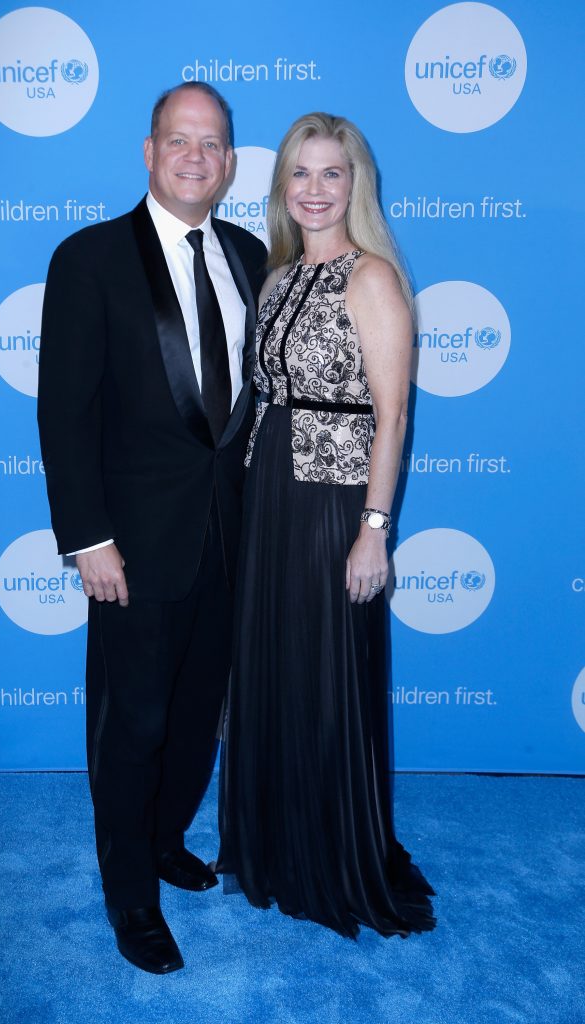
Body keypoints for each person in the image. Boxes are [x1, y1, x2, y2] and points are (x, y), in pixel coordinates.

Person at [37, 82, 267, 974]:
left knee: (195, 710)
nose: (195, 157)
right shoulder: (88, 258)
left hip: (231, 542)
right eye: (180, 140)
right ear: (147, 151)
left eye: (212, 145)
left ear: (230, 164)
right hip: (130, 548)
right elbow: (64, 416)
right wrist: (88, 539)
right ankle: (129, 891)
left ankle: (167, 839)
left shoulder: (249, 254)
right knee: (130, 721)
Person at [217, 113, 436, 939]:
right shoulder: (272, 279)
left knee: (325, 672)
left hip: (334, 499)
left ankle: (331, 855)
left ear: (356, 185)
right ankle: (275, 842)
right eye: (299, 174)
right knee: (271, 668)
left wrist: (373, 528)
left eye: (331, 174)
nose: (313, 189)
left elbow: (393, 414)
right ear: (280, 187)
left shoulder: (371, 278)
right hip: (268, 489)